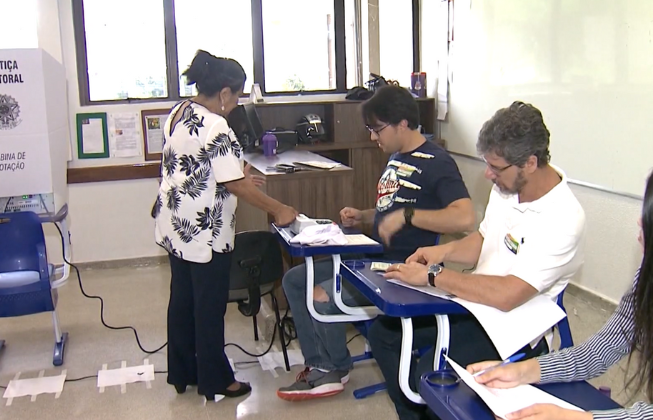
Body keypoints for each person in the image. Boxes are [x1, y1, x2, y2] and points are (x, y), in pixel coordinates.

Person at [368, 101, 586, 420]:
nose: (487, 174)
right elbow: (485, 240)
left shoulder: (564, 217)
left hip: (511, 324)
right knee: (384, 335)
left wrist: (433, 275)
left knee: (431, 376)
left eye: (495, 168)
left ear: (529, 163)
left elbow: (508, 295)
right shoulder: (507, 187)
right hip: (472, 303)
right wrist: (443, 252)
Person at [277, 85, 475, 401]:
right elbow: (393, 211)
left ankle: (333, 369)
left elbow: (464, 218)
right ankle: (320, 363)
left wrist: (409, 216)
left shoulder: (437, 161)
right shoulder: (397, 156)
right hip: (372, 251)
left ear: (402, 123)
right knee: (294, 279)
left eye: (377, 129)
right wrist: (365, 216)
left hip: (402, 265)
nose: (373, 137)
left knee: (320, 293)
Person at [153, 50, 298, 401]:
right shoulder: (217, 124)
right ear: (223, 93)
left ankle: (183, 371)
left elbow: (195, 166)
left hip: (175, 224)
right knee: (208, 304)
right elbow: (233, 184)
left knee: (183, 299)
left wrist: (238, 175)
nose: (235, 105)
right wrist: (279, 208)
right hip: (205, 232)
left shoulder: (178, 111)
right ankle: (217, 379)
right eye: (236, 96)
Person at [467, 173, 653, 420]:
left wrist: (580, 418)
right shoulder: (647, 275)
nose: (640, 221)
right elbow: (602, 349)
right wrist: (522, 371)